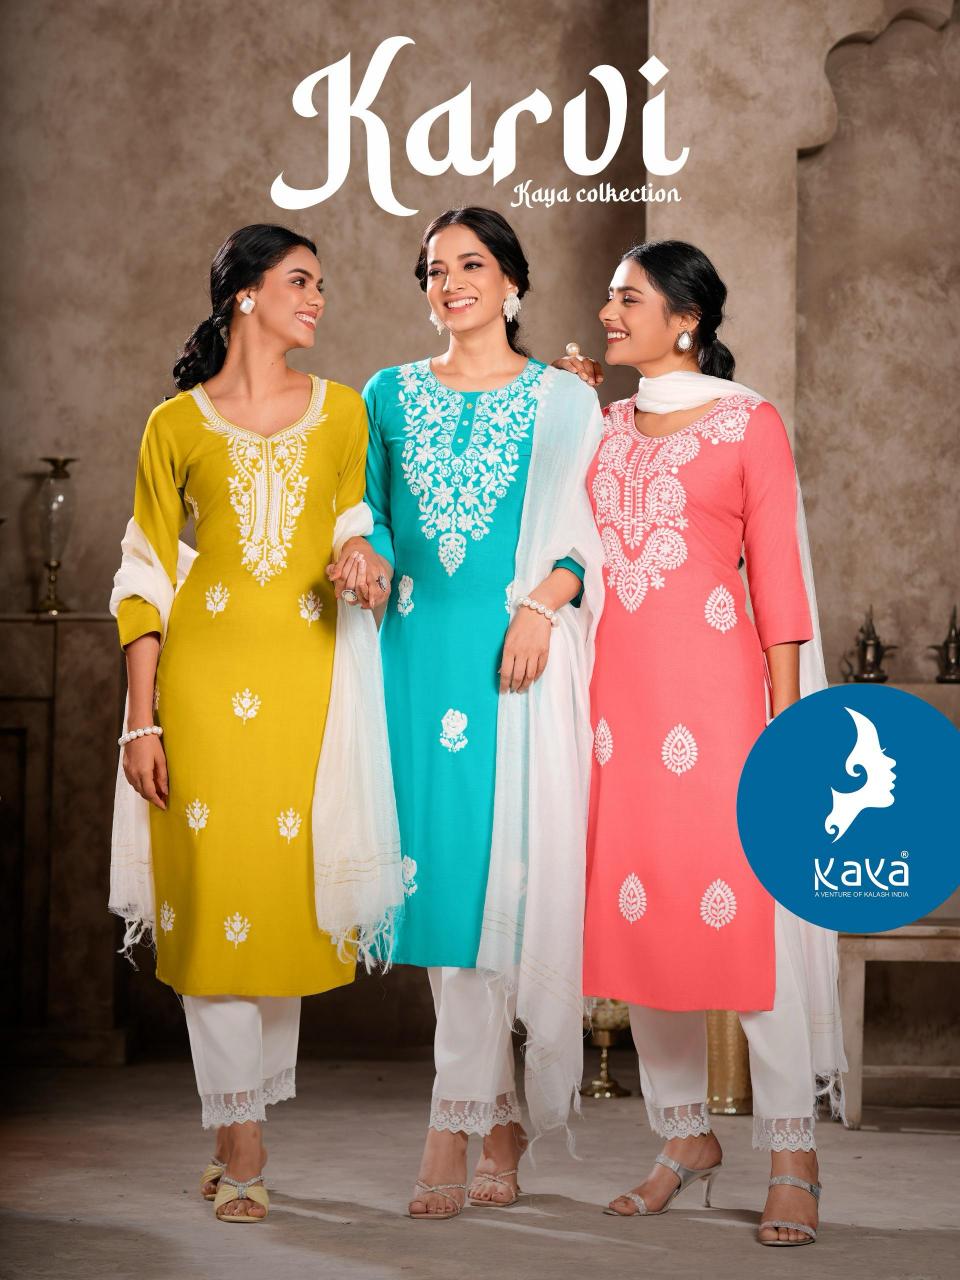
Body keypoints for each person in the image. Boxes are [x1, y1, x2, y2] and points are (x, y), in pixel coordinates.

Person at [109, 223, 400, 1223]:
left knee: (280, 908)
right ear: (244, 294)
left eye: (321, 284)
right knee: (213, 904)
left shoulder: (343, 411)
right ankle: (242, 1142)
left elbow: (355, 521)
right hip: (203, 685)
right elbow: (145, 576)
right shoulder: (173, 425)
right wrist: (140, 724)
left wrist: (363, 557)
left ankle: (243, 1117)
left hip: (311, 687)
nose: (317, 299)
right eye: (300, 281)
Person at [556, 240, 845, 1247]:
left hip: (724, 711)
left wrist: (785, 729)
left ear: (685, 319)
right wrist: (568, 408)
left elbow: (782, 587)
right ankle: (683, 1136)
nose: (608, 311)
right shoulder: (601, 427)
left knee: (750, 925)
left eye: (628, 298)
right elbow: (559, 540)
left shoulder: (748, 421)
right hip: (616, 714)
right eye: (608, 297)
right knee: (641, 920)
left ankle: (793, 1151)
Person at [329, 207, 605, 1220]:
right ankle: (494, 1119)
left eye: (471, 264)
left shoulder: (565, 401)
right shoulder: (387, 393)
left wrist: (541, 605)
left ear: (513, 282)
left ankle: (451, 1126)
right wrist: (362, 554)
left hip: (511, 666)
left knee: (496, 890)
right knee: (439, 893)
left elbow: (590, 535)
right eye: (434, 269)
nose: (449, 283)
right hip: (412, 660)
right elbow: (374, 514)